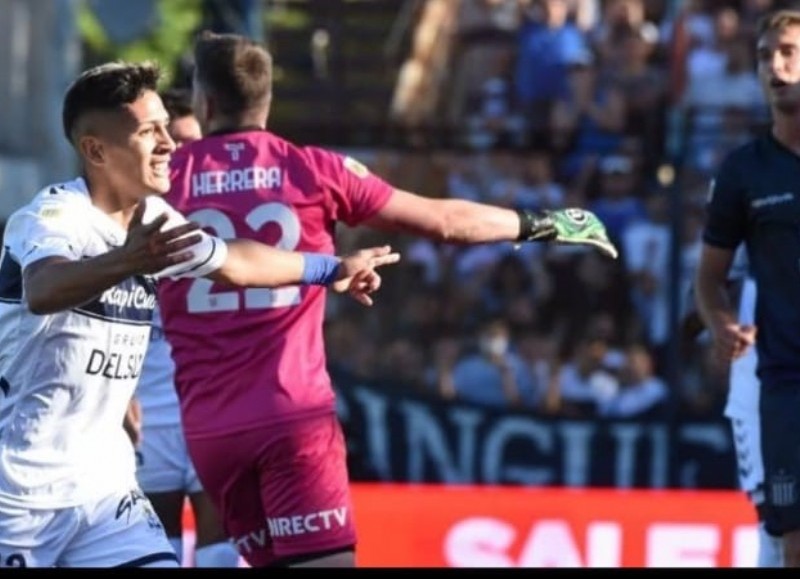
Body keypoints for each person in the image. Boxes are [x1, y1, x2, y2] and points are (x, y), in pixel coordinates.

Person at [158, 30, 618, 568]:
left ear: (204, 103)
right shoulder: (312, 168)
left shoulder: (163, 181)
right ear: (266, 101)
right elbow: (445, 222)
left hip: (211, 430)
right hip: (292, 417)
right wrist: (546, 222)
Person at [0, 60, 399, 568]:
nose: (169, 143)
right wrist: (130, 259)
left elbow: (235, 262)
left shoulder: (155, 218)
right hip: (19, 497)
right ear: (96, 150)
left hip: (105, 497)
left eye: (167, 126)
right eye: (149, 132)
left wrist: (330, 267)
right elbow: (43, 288)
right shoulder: (53, 215)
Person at [694, 8, 800, 567]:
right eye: (765, 56)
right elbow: (709, 278)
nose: (775, 67)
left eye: (788, 52)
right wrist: (720, 324)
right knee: (784, 537)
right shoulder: (744, 171)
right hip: (783, 384)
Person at [128, 88, 240, 567]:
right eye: (174, 142)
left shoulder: (231, 219)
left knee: (221, 553)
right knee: (158, 551)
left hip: (216, 409)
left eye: (196, 141)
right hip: (145, 418)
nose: (185, 154)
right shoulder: (117, 224)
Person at [686, 249, 782, 567]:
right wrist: (720, 325)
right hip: (758, 375)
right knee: (773, 519)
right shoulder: (745, 199)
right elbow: (712, 279)